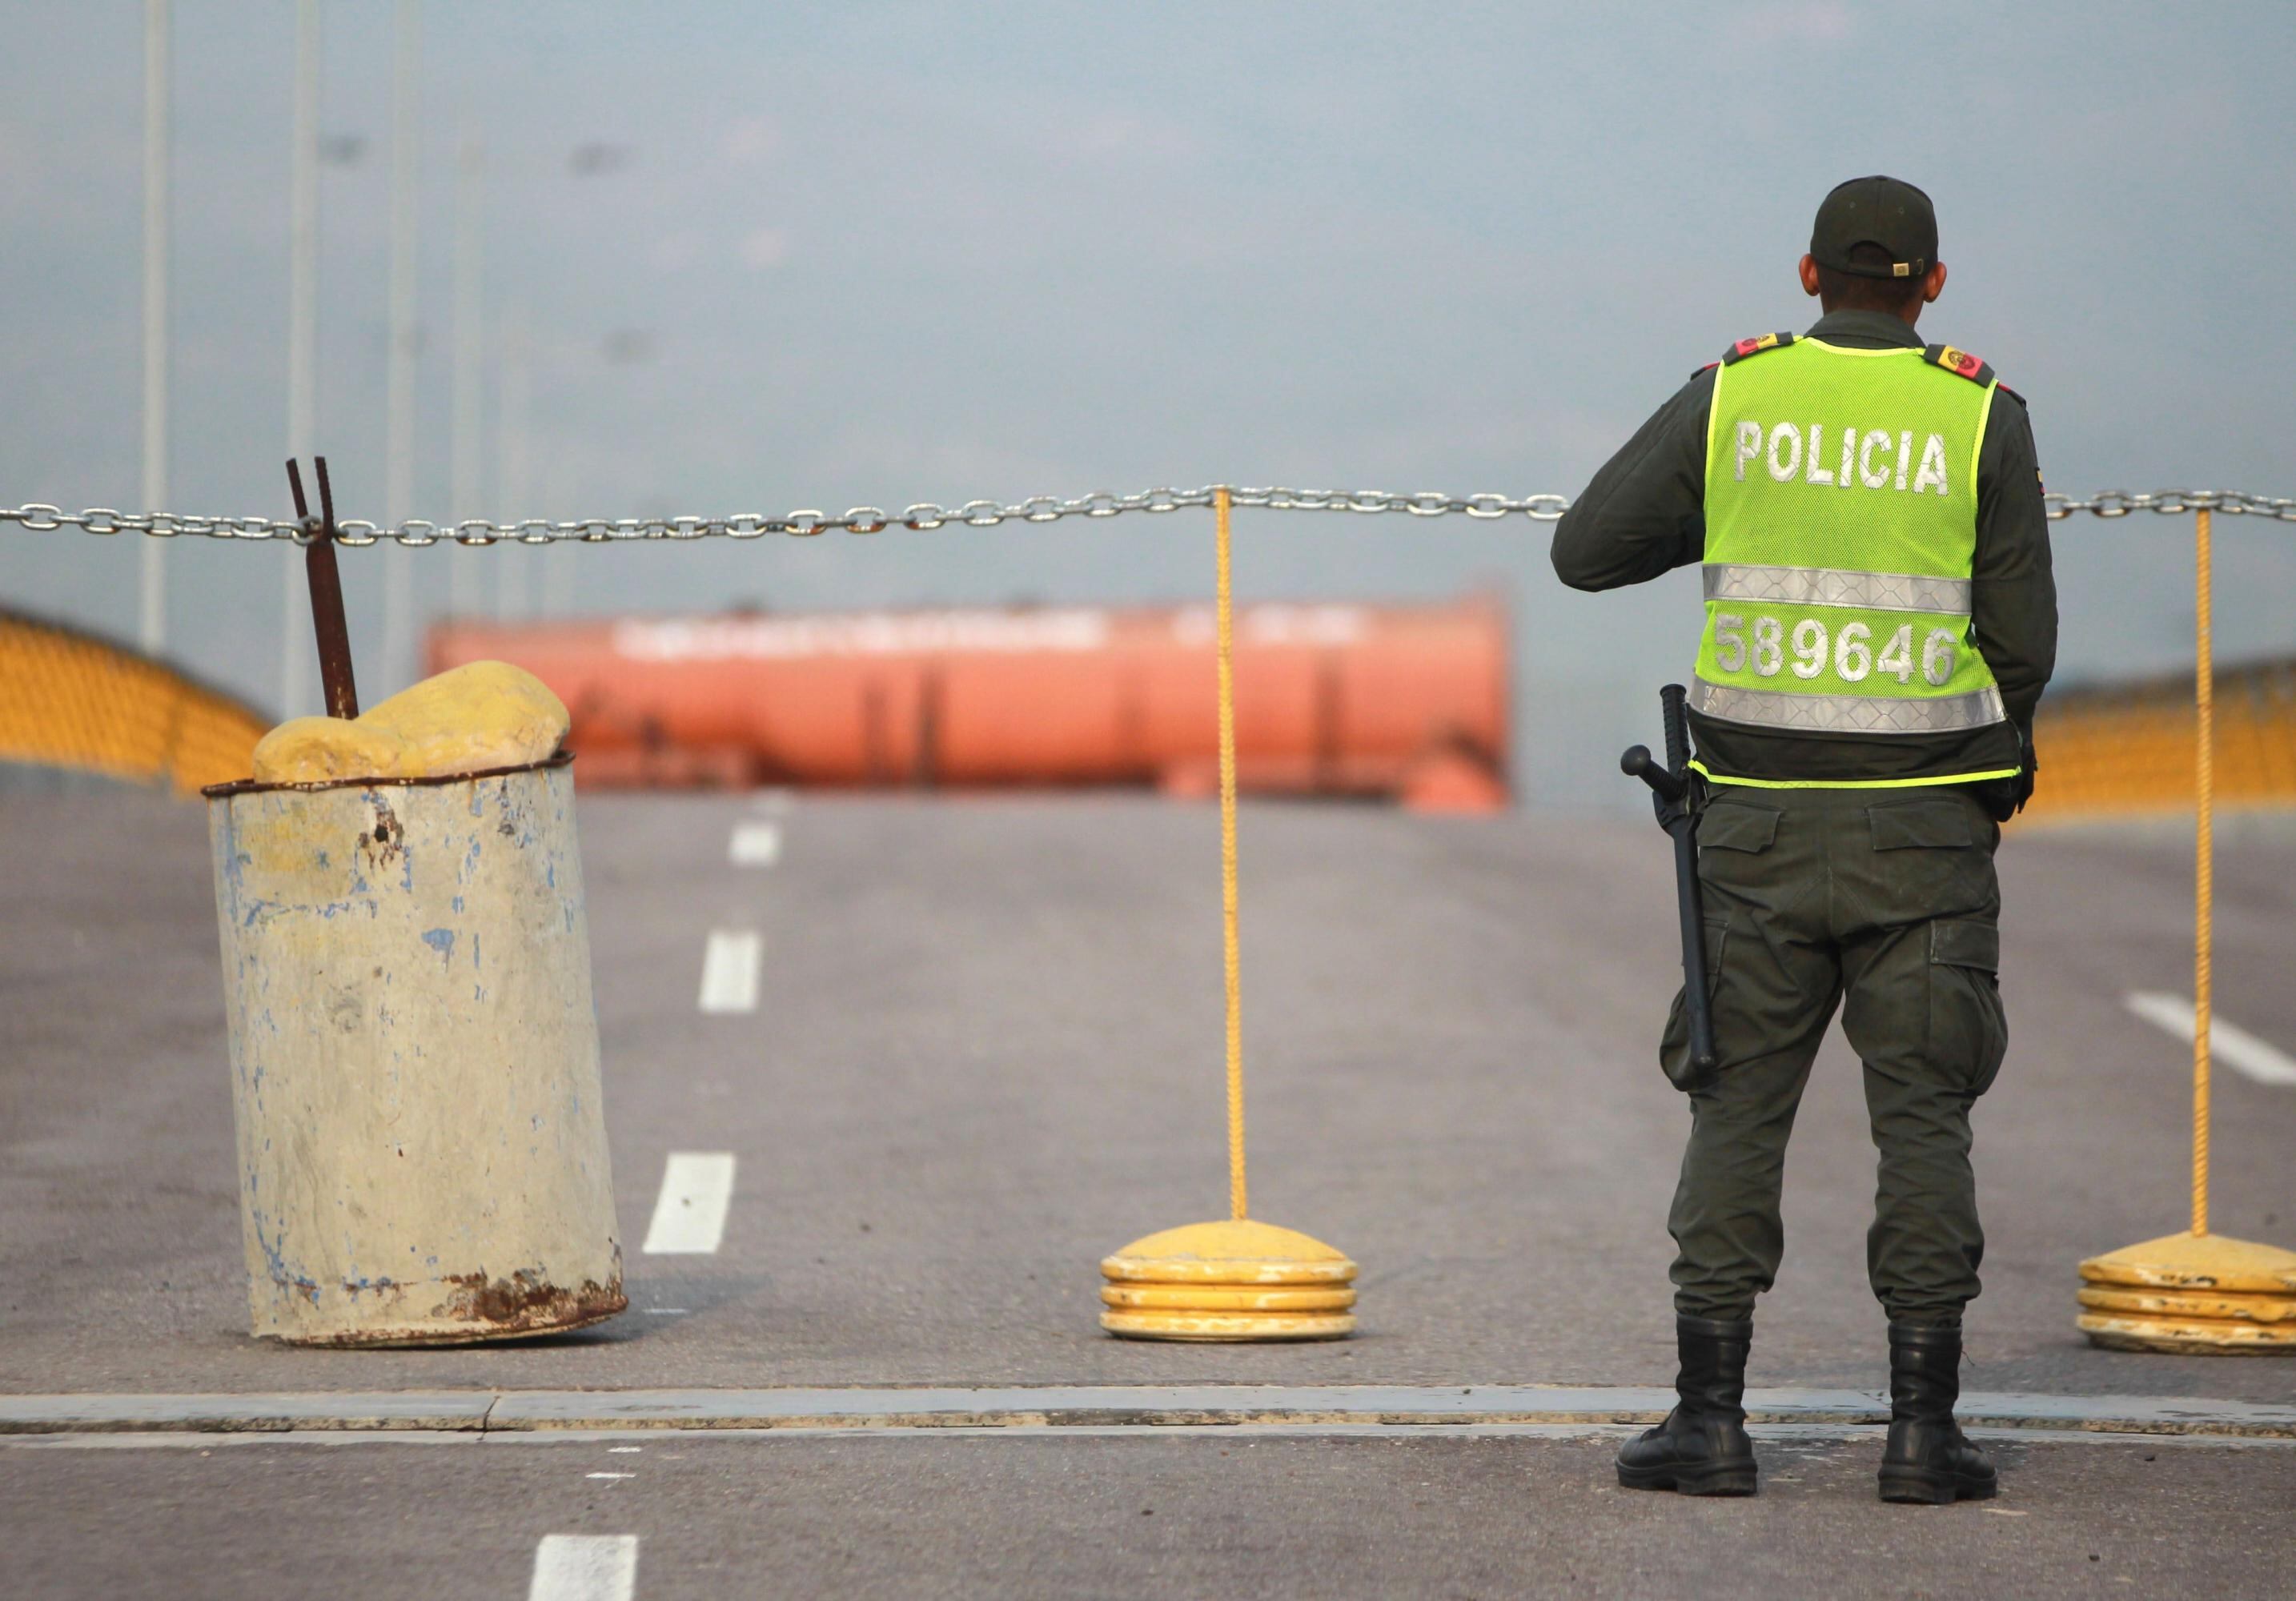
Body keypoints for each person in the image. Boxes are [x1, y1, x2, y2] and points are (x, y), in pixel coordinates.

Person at [1551, 176, 2057, 1504]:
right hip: (1926, 835)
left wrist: (1733, 512)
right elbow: (2023, 647)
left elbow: (1587, 552)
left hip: (1756, 831)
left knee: (1736, 1118)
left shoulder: (1736, 395)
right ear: (1932, 284)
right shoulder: (1979, 413)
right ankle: (1921, 1436)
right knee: (1927, 1120)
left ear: (1808, 274)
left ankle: (1709, 1424)